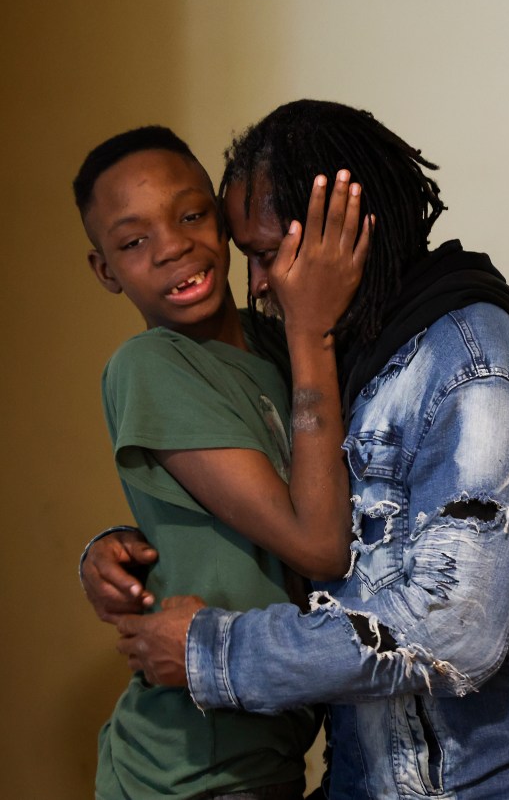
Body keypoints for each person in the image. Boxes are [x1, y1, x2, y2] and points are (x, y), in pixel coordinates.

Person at [82, 101, 509, 799]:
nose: (259, 284)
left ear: (342, 232)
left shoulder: (470, 366)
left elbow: (452, 629)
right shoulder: (341, 363)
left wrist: (210, 648)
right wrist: (119, 544)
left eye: (269, 255)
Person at [73, 123, 370, 800]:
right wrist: (311, 329)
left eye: (190, 214)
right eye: (133, 241)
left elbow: (213, 527)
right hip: (186, 769)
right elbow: (320, 545)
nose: (174, 246)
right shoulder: (149, 365)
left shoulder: (274, 344)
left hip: (269, 750)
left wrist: (109, 546)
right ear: (105, 270)